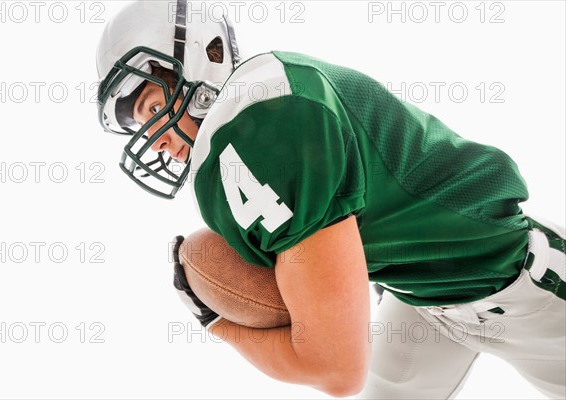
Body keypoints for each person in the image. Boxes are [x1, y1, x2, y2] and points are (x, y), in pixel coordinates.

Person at [96, 1, 566, 398]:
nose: (153, 138)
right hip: (419, 296)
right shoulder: (251, 122)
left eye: (152, 108)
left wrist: (216, 321)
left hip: (523, 283)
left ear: (206, 56)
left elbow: (335, 368)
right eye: (142, 124)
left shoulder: (263, 121)